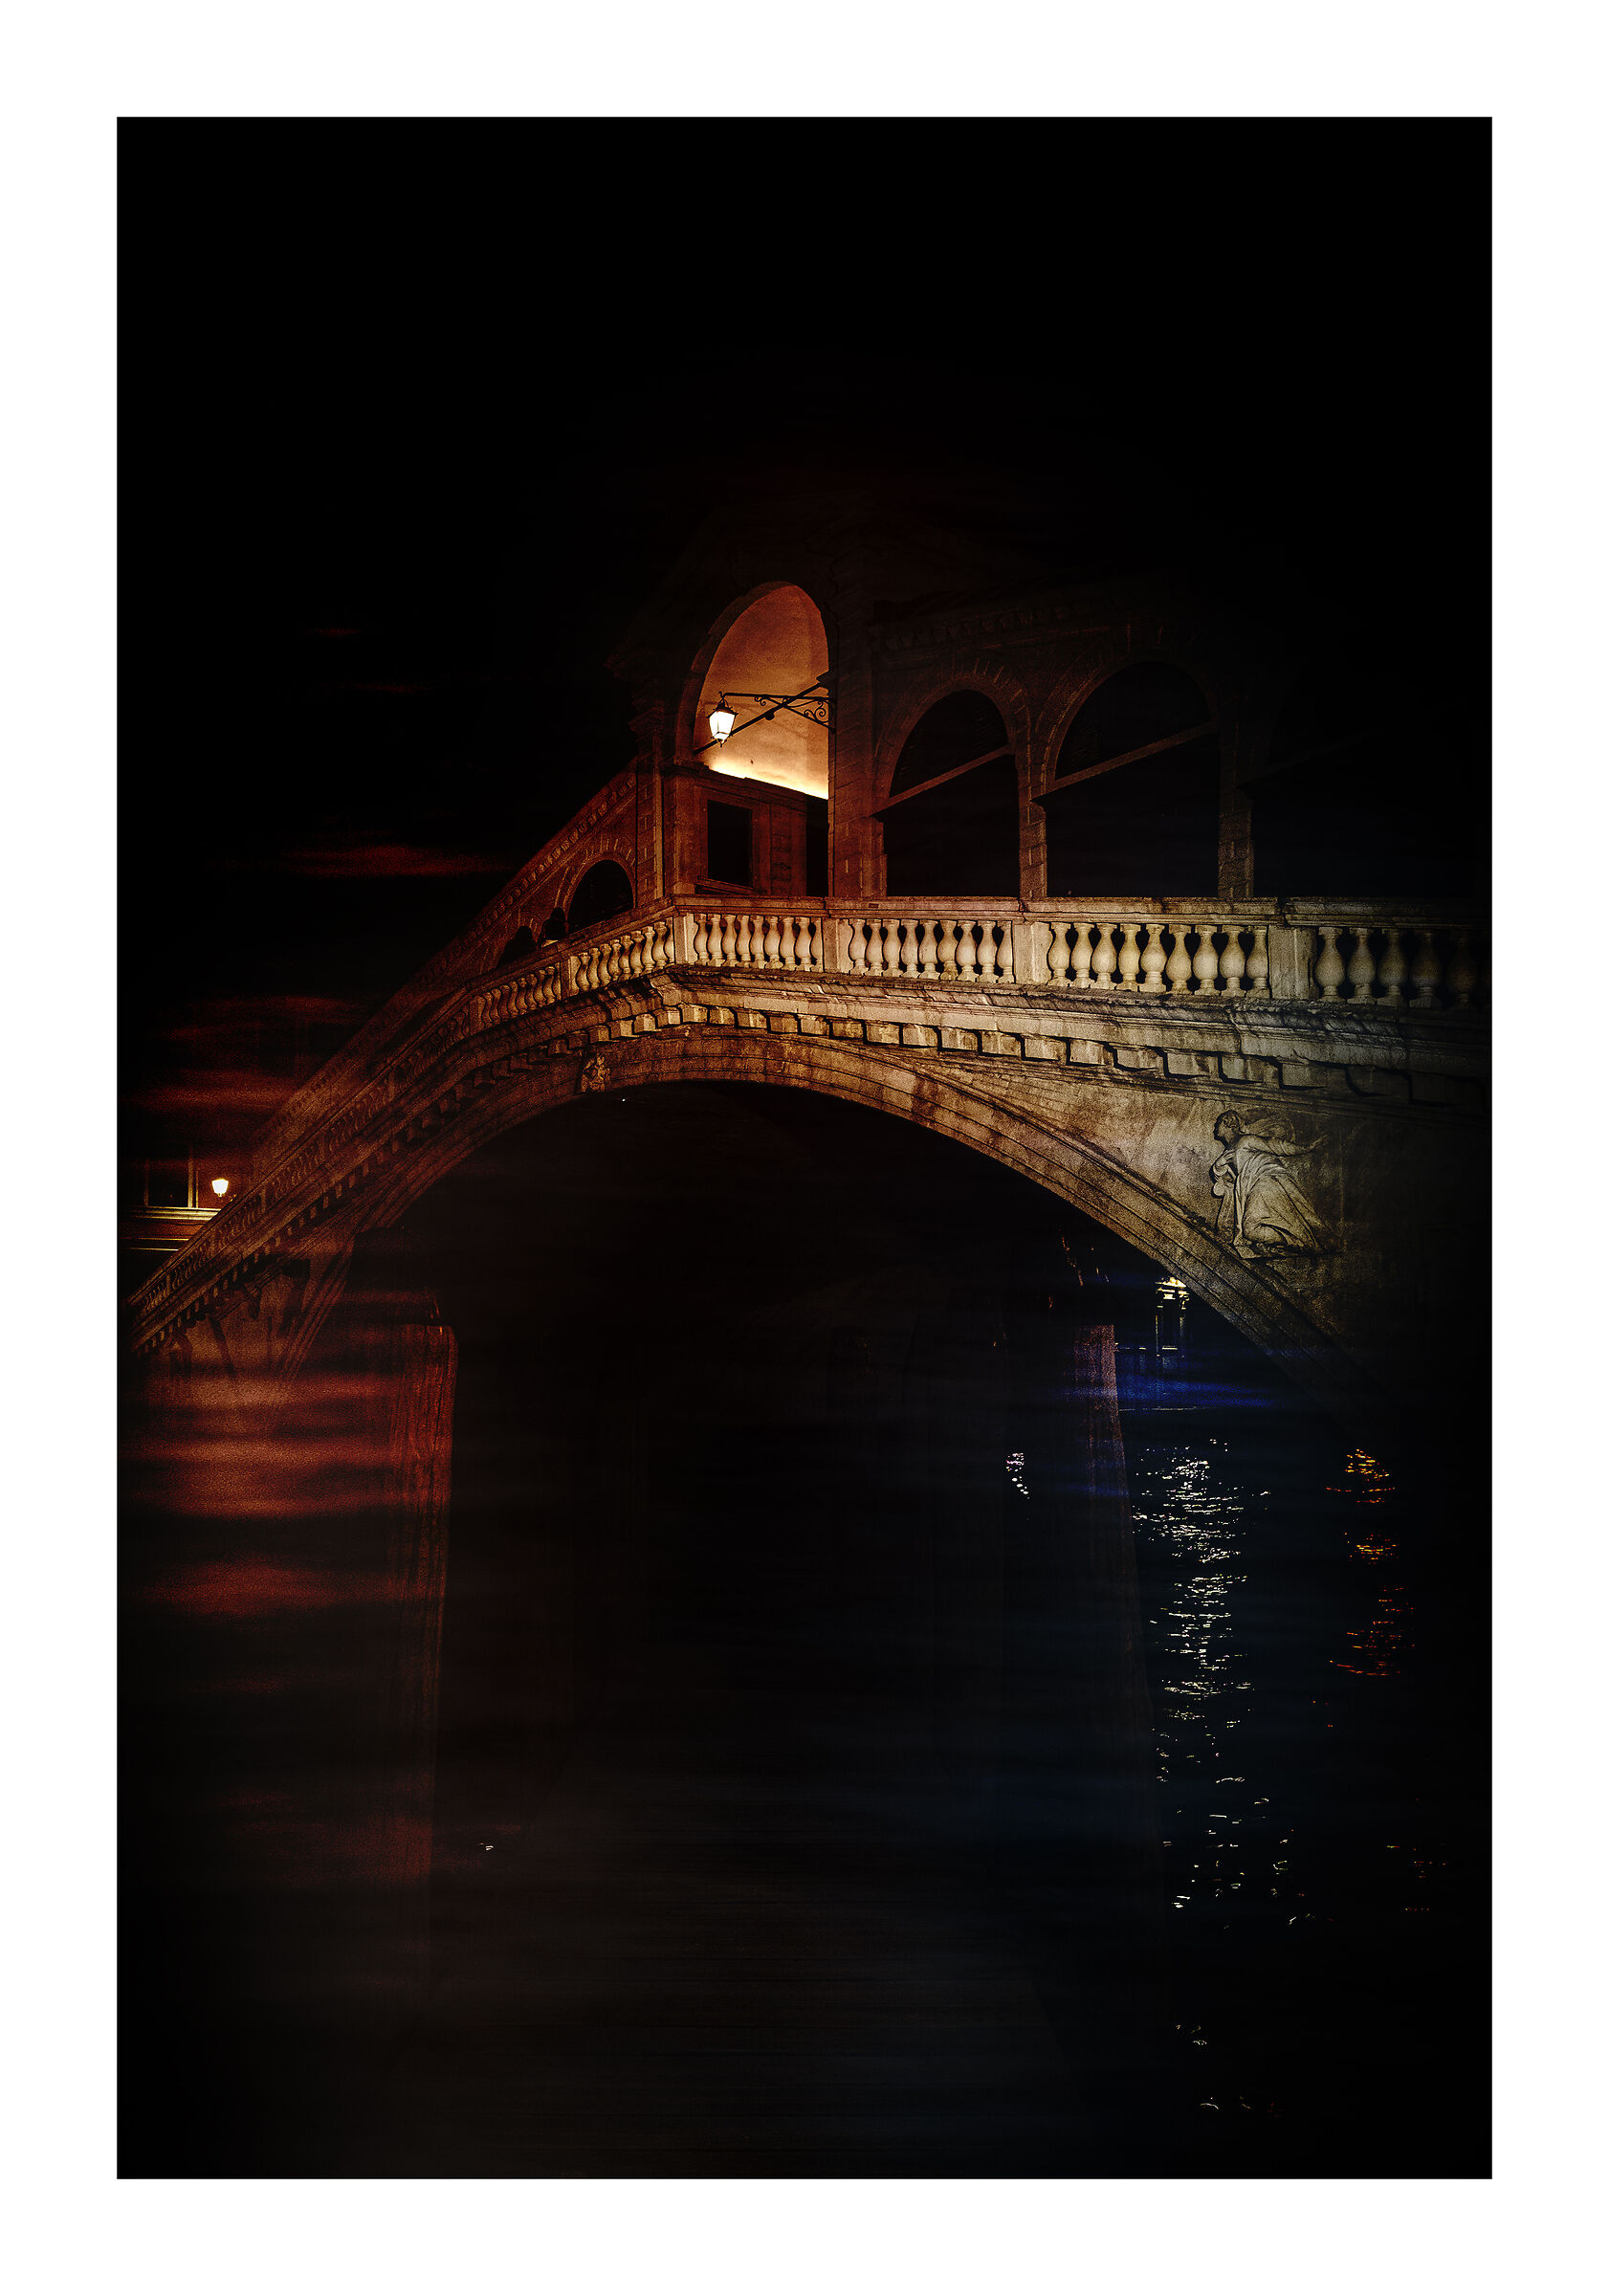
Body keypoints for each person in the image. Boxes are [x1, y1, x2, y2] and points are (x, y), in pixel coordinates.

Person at [1210, 1110, 1332, 1263]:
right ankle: (1296, 1243)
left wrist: (1306, 1148)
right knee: (1251, 1230)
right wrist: (1218, 1165)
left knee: (1250, 1228)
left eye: (1219, 1123)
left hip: (1266, 1179)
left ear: (1229, 1124)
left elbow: (1275, 1145)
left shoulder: (1245, 1140)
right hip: (1249, 1186)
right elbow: (1222, 1181)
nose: (1215, 1127)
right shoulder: (1227, 1152)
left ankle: (1302, 1243)